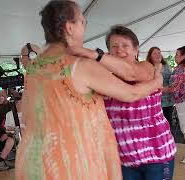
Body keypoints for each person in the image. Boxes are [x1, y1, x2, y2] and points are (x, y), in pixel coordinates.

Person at [15, 1, 162, 180]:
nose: (84, 27)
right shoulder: (81, 65)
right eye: (82, 22)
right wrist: (157, 81)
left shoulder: (33, 67)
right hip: (71, 163)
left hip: (33, 161)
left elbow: (28, 115)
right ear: (70, 27)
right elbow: (131, 93)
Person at [100, 26, 176, 180]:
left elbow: (130, 74)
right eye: (114, 47)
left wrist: (91, 54)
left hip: (157, 157)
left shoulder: (146, 68)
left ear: (136, 50)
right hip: (125, 160)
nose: (119, 50)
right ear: (108, 53)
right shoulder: (105, 81)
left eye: (125, 46)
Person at [146, 47, 175, 126]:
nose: (158, 55)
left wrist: (169, 88)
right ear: (150, 56)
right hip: (153, 100)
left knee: (167, 122)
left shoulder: (167, 67)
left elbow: (173, 82)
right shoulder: (147, 67)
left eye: (159, 53)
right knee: (155, 123)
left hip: (168, 100)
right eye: (154, 53)